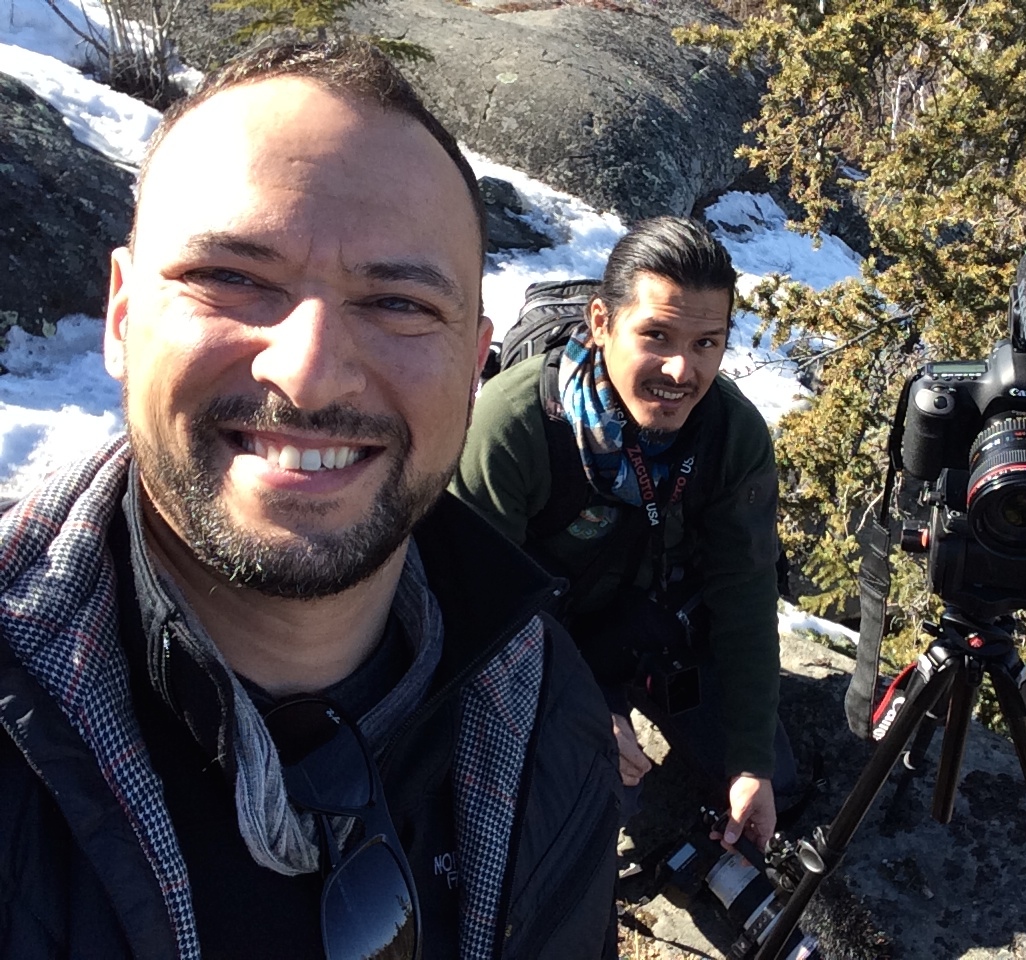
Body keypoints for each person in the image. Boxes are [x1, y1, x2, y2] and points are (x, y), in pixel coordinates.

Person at [0, 38, 620, 960]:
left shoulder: (540, 706)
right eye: (234, 278)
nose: (310, 371)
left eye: (400, 303)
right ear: (123, 315)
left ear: (474, 361)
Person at [451, 217, 796, 853]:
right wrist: (571, 704)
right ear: (602, 322)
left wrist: (751, 762)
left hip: (655, 628)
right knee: (588, 794)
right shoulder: (518, 423)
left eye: (706, 345)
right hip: (550, 639)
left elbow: (744, 596)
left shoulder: (730, 434)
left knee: (772, 781)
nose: (680, 369)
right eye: (656, 335)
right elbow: (473, 613)